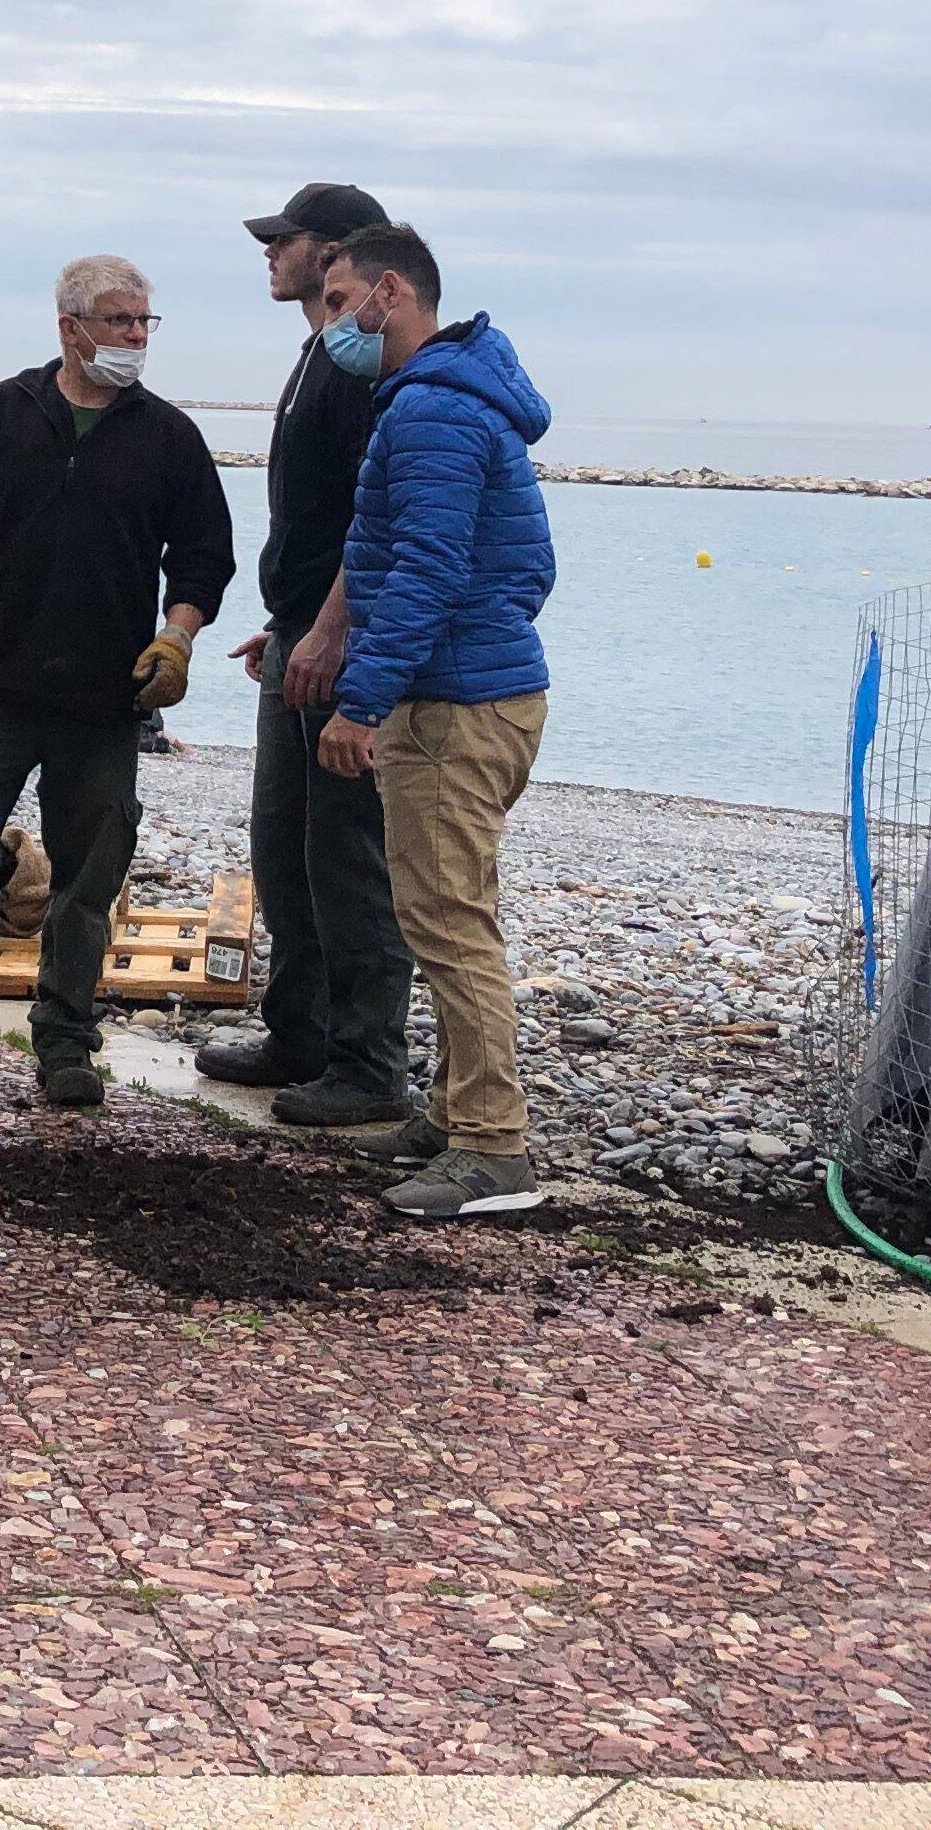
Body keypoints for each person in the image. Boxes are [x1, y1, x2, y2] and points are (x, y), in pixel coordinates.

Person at [0, 254, 233, 1109]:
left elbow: (204, 559)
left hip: (106, 703)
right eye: (119, 322)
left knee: (87, 878)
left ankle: (66, 1041)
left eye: (145, 323)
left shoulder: (168, 437)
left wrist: (177, 640)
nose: (136, 338)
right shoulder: (5, 411)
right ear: (69, 327)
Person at [313, 223, 555, 1218]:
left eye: (339, 304)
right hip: (472, 689)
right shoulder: (450, 394)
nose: (331, 326)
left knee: (448, 924)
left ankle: (494, 1150)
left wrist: (359, 699)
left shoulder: (434, 413)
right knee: (449, 907)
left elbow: (429, 569)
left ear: (391, 293)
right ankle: (457, 1114)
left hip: (456, 702)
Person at [207, 183, 418, 1131]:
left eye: (282, 240)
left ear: (335, 254)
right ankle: (297, 1032)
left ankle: (369, 1059)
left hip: (345, 640)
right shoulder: (317, 357)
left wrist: (335, 631)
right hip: (301, 629)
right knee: (282, 847)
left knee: (345, 856)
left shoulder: (360, 371)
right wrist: (286, 619)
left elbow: (375, 524)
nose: (269, 253)